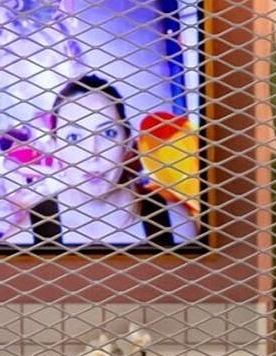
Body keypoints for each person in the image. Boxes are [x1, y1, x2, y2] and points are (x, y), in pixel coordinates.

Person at [30, 73, 178, 247]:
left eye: (108, 133)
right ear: (55, 147)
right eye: (74, 137)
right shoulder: (23, 236)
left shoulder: (176, 224)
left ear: (128, 143)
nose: (93, 153)